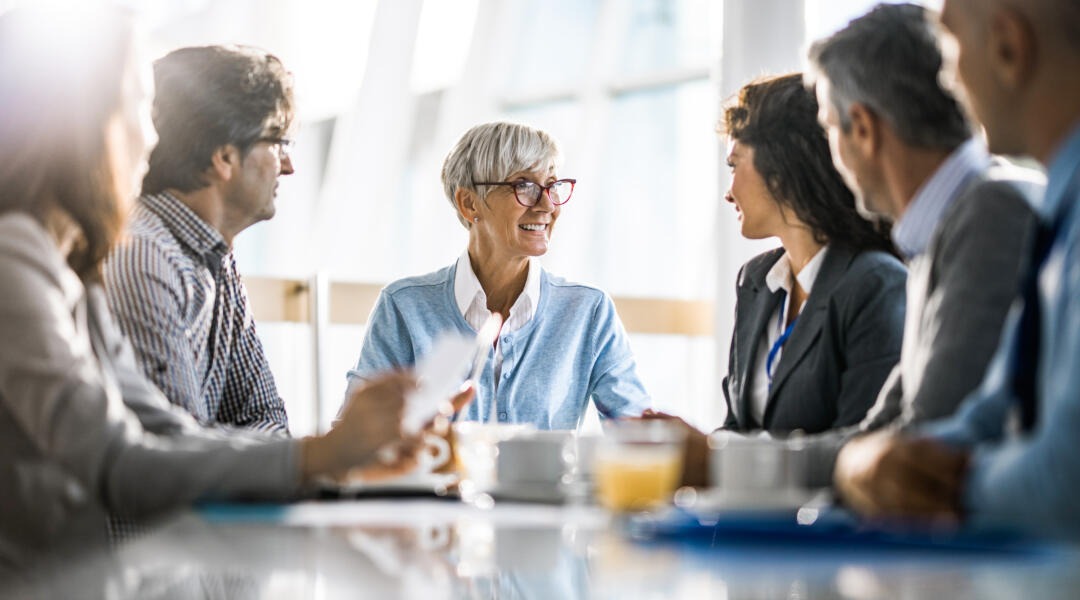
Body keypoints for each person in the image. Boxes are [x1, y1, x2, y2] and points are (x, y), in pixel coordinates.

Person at [0, 6, 455, 564]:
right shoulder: (18, 257)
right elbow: (121, 463)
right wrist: (323, 455)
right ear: (87, 123)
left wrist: (340, 461)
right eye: (139, 108)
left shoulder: (75, 268)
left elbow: (165, 431)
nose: (150, 136)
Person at [833, 0, 1080, 538]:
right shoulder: (1056, 213)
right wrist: (869, 464)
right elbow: (987, 413)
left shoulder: (1002, 210)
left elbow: (1068, 478)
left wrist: (930, 480)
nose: (945, 76)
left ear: (1009, 48)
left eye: (950, 44)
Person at [774, 2, 1040, 487]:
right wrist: (723, 461)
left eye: (829, 127)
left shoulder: (989, 215)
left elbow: (921, 444)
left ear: (864, 129)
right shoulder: (940, 229)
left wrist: (721, 463)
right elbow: (877, 435)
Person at [646, 73, 907, 483]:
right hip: (751, 528)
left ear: (781, 169)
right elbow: (739, 428)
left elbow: (865, 450)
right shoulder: (756, 281)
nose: (728, 192)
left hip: (829, 536)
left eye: (734, 165)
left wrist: (713, 456)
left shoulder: (876, 285)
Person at [347, 122, 650, 430]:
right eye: (525, 186)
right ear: (469, 203)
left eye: (552, 185)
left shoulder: (589, 310)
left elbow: (640, 436)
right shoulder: (404, 306)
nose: (547, 205)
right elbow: (353, 436)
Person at [103, 45, 294, 434]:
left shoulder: (216, 255)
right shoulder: (143, 257)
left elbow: (270, 417)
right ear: (224, 157)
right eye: (278, 142)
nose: (289, 166)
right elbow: (178, 450)